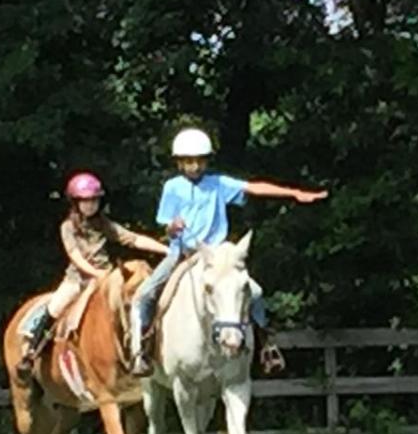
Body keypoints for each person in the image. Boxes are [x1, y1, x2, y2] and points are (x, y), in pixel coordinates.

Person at [129, 126, 327, 376]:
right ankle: (141, 350)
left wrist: (294, 193)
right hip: (182, 254)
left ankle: (267, 345)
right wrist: (173, 227)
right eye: (189, 161)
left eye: (199, 161)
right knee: (145, 295)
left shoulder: (219, 183)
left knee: (254, 292)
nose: (195, 167)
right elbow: (166, 226)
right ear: (179, 163)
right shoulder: (172, 187)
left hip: (217, 255)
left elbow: (254, 188)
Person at [15, 172, 168, 382]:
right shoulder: (67, 227)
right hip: (77, 281)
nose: (90, 205)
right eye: (85, 201)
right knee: (54, 307)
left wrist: (167, 250)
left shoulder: (104, 224)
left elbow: (133, 239)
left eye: (94, 200)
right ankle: (30, 353)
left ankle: (141, 351)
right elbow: (75, 257)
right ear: (75, 203)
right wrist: (97, 274)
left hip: (104, 279)